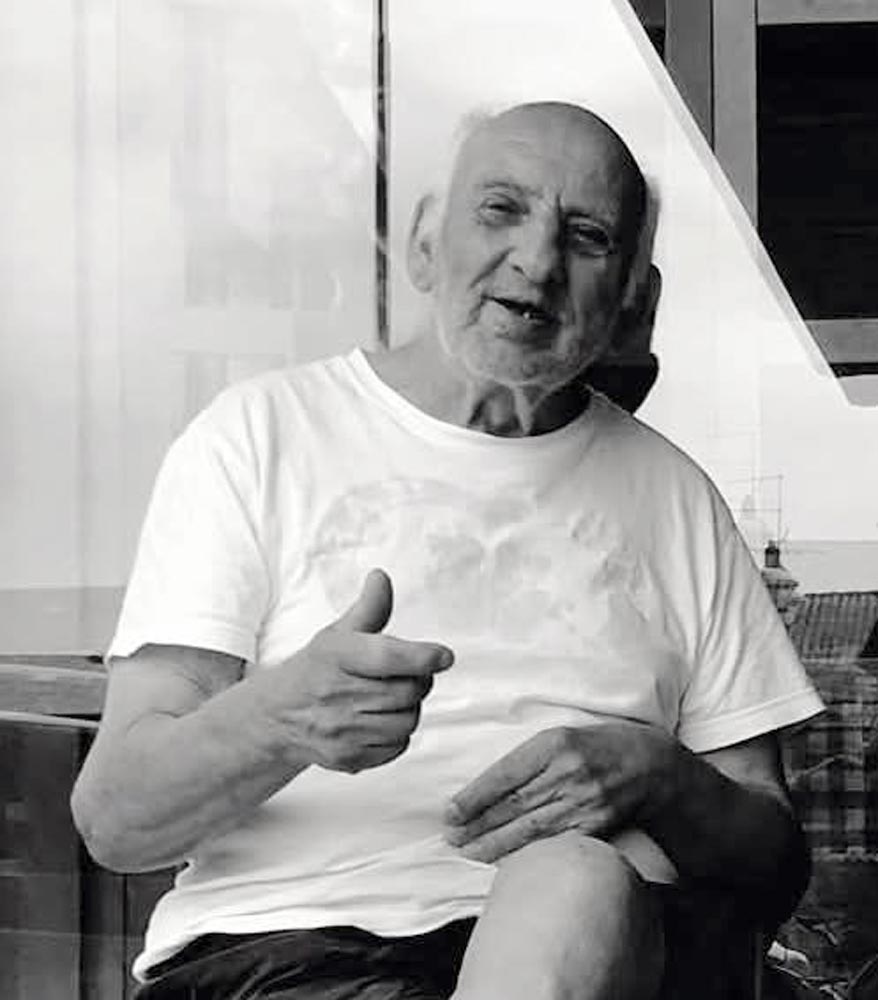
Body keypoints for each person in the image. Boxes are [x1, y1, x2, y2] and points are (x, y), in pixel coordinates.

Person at [71, 101, 823, 1000]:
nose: (537, 261)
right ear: (426, 245)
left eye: (586, 237)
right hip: (289, 956)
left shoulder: (676, 497)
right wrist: (280, 717)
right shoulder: (258, 437)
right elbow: (116, 821)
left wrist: (659, 778)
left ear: (633, 295)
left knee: (576, 878)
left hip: (603, 954)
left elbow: (773, 869)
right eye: (501, 210)